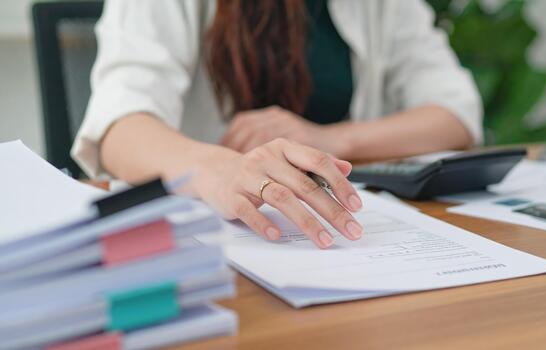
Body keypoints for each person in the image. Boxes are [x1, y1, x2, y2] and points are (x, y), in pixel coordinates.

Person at [72, 0, 482, 249]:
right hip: (221, 235)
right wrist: (223, 169)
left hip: (345, 232)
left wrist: (330, 138)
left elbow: (456, 112)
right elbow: (118, 127)